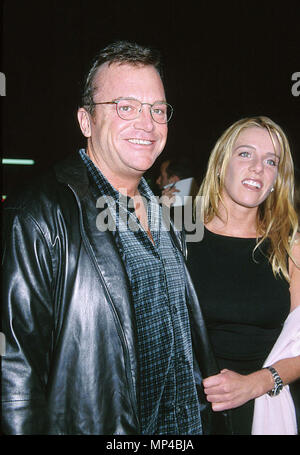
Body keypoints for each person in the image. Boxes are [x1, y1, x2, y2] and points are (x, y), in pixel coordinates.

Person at [1, 41, 229, 435]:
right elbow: (14, 371)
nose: (148, 123)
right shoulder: (40, 214)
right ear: (86, 121)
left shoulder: (167, 212)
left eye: (157, 109)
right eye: (126, 107)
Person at [186, 116, 300, 435]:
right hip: (184, 411)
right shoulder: (179, 234)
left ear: (278, 177)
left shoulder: (290, 246)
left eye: (270, 161)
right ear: (222, 163)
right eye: (245, 154)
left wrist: (256, 384)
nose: (257, 168)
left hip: (260, 410)